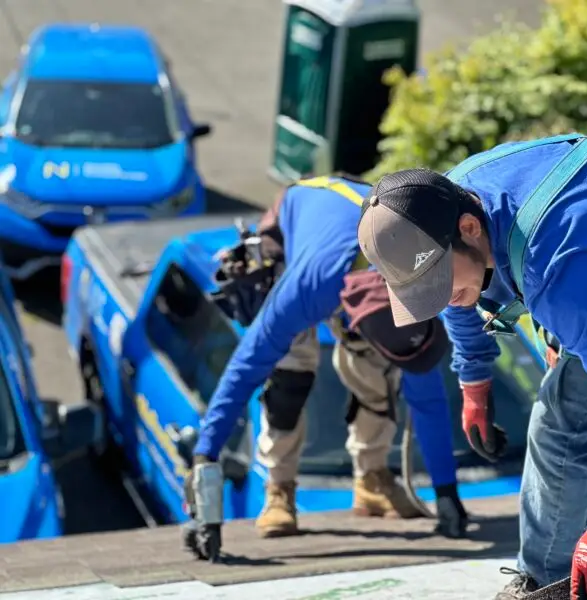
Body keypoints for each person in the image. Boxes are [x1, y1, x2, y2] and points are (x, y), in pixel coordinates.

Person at [355, 131, 587, 600]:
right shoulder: (437, 205)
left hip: (581, 271)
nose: (441, 295)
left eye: (440, 280)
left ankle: (545, 585)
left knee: (562, 424)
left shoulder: (559, 270)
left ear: (470, 228)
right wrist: (474, 377)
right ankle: (547, 577)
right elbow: (460, 293)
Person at [184, 174, 468, 559]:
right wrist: (205, 457)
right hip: (304, 225)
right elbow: (243, 371)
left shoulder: (416, 278)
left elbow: (427, 396)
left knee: (373, 369)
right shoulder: (305, 288)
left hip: (364, 245)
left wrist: (447, 494)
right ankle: (279, 489)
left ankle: (371, 478)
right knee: (290, 370)